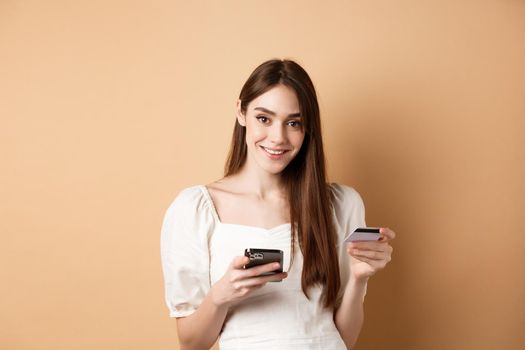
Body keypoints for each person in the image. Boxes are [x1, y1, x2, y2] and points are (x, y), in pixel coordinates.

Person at [160, 59, 395, 349]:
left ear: (308, 129)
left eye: (293, 123)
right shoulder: (194, 209)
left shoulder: (341, 204)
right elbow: (192, 344)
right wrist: (221, 294)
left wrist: (358, 277)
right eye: (264, 118)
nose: (278, 137)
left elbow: (343, 338)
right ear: (241, 112)